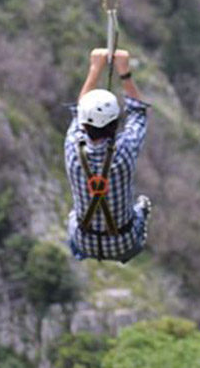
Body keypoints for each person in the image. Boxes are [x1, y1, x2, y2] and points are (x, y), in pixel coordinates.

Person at [64, 48, 152, 263]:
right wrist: (124, 72)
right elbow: (138, 113)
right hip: (125, 241)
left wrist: (95, 68)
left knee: (73, 216)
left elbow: (79, 110)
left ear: (84, 124)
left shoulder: (72, 146)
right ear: (116, 124)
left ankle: (82, 252)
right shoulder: (125, 150)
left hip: (83, 240)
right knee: (142, 205)